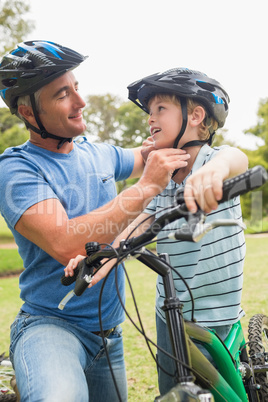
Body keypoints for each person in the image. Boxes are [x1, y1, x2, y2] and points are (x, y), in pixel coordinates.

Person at [0, 42, 190, 402]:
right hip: (52, 326)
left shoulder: (97, 152)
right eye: (62, 95)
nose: (79, 102)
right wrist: (146, 186)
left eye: (76, 88)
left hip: (109, 337)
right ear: (28, 111)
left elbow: (155, 151)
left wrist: (205, 135)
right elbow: (67, 243)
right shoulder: (16, 168)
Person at [66, 68, 248, 396]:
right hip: (171, 312)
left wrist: (217, 172)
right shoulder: (162, 175)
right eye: (149, 112)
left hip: (217, 310)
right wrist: (98, 261)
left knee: (225, 387)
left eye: (160, 109)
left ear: (195, 115)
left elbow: (238, 159)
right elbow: (138, 226)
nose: (150, 119)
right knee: (175, 389)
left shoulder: (213, 161)